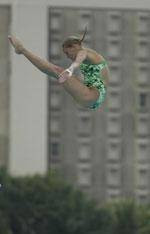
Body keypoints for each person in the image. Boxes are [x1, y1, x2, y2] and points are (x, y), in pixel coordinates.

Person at [8, 29, 109, 110]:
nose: (67, 56)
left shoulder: (85, 52)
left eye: (67, 53)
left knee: (57, 71)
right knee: (56, 72)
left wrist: (71, 68)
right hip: (91, 94)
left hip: (92, 95)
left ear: (74, 47)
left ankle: (22, 50)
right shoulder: (88, 54)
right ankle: (22, 51)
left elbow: (80, 57)